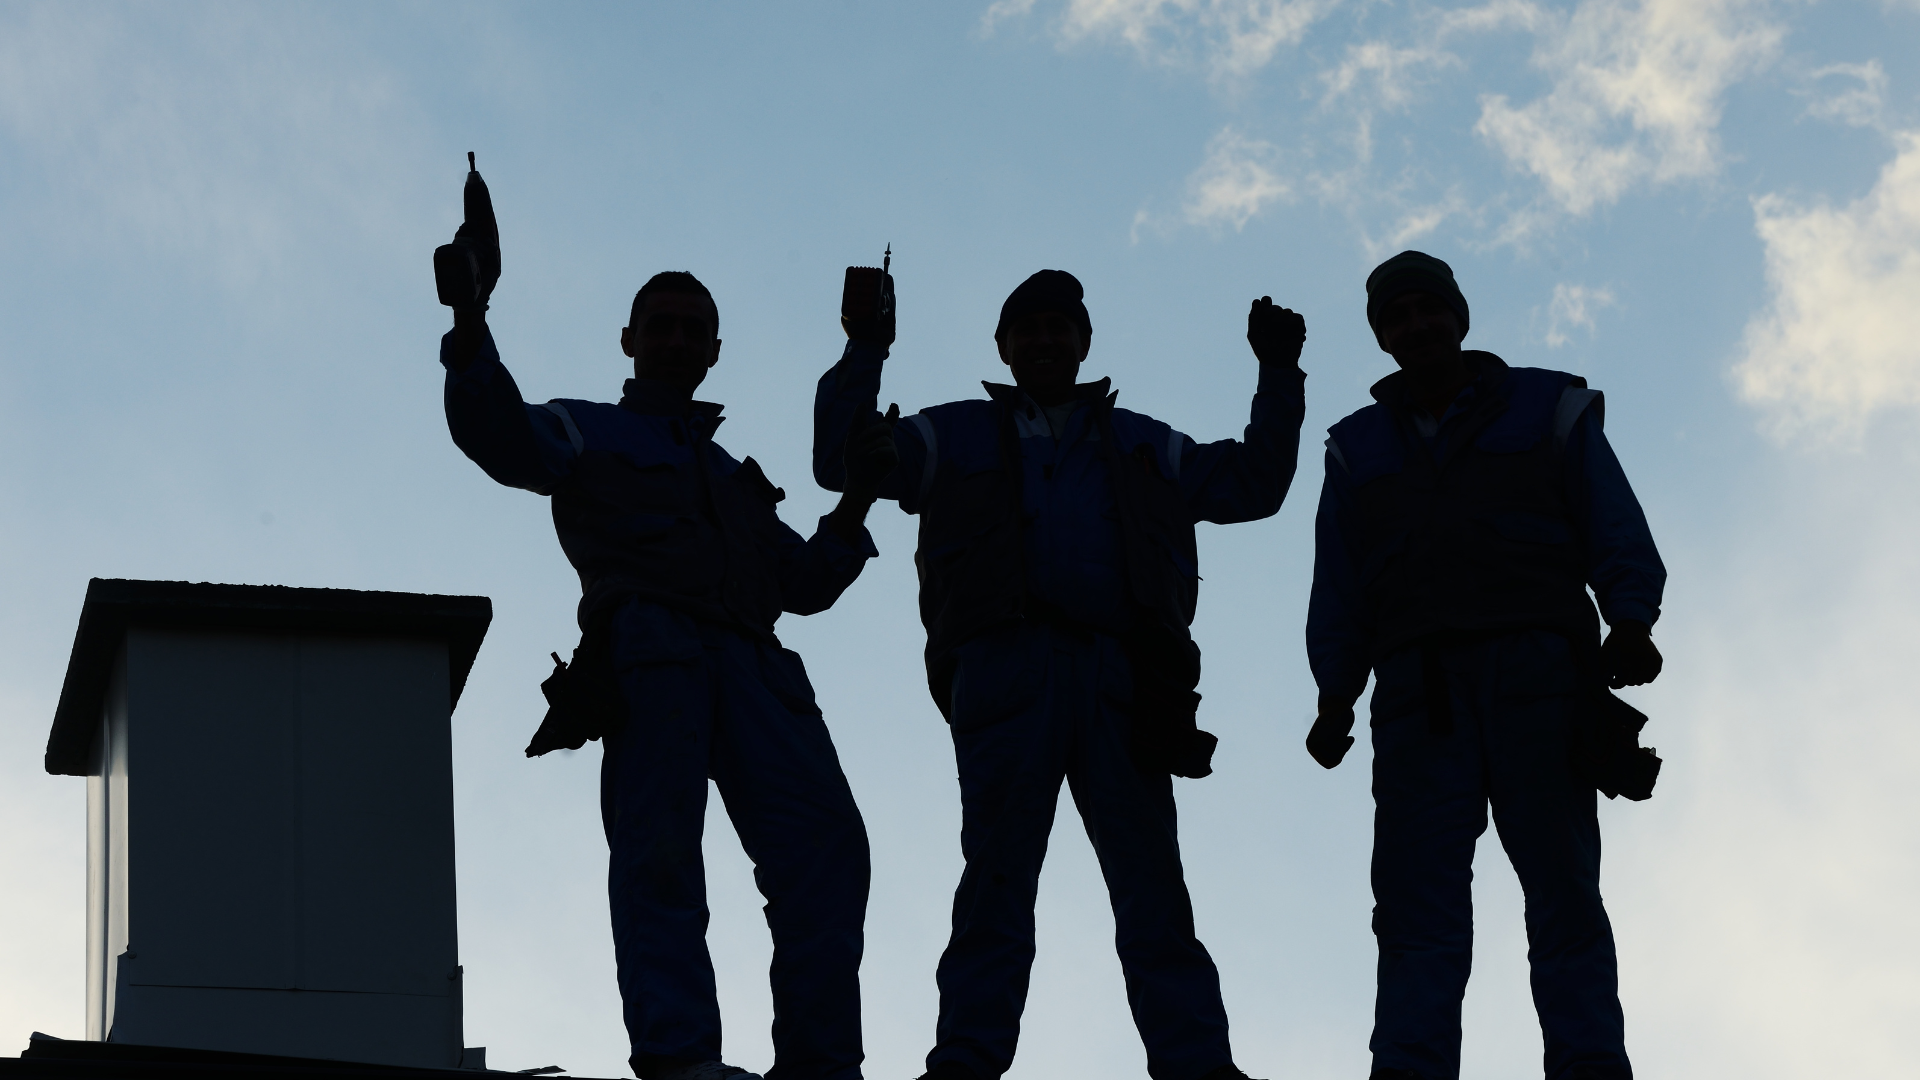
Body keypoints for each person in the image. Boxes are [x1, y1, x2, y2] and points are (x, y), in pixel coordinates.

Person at [813, 268, 1308, 1080]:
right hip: (1005, 671)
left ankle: (1198, 1068)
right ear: (1003, 347)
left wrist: (1278, 376)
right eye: (1028, 330)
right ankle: (967, 1061)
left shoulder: (1146, 444)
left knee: (1152, 888)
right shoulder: (950, 434)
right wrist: (865, 348)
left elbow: (1255, 485)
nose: (1044, 341)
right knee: (997, 881)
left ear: (1084, 344)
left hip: (1124, 681)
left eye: (1059, 328)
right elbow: (842, 461)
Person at [439, 255, 897, 1080]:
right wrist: (472, 323)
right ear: (629, 342)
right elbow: (500, 435)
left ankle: (822, 1065)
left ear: (715, 350)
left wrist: (857, 499)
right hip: (655, 657)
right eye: (662, 327)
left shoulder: (734, 479)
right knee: (661, 856)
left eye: (695, 330)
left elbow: (805, 585)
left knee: (829, 851)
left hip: (759, 668)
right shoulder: (588, 429)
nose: (678, 340)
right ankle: (681, 1059)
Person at [1303, 251, 1667, 1080]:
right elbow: (1341, 580)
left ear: (1459, 316)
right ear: (1382, 336)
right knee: (1415, 909)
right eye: (1397, 317)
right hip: (1415, 694)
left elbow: (1610, 516)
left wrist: (1633, 618)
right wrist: (1334, 694)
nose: (1416, 326)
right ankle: (1408, 1067)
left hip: (1540, 675)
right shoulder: (1354, 447)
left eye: (1429, 309)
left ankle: (1590, 1066)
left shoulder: (1548, 405)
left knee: (1564, 893)